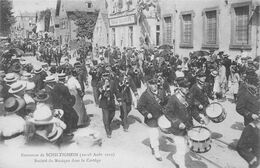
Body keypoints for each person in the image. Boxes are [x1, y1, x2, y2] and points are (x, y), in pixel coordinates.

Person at [164, 77, 194, 168]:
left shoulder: (188, 96)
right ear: (180, 87)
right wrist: (178, 123)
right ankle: (182, 165)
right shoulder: (173, 98)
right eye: (185, 87)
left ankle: (174, 156)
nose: (187, 89)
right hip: (178, 129)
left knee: (187, 147)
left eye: (188, 87)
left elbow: (191, 110)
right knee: (181, 149)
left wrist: (199, 118)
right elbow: (167, 113)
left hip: (188, 126)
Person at [137, 78, 167, 161]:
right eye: (152, 84)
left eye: (155, 84)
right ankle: (156, 152)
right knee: (154, 135)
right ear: (148, 85)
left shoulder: (161, 91)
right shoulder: (145, 95)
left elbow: (165, 102)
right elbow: (139, 106)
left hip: (161, 117)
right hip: (152, 119)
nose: (155, 86)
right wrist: (146, 113)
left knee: (159, 135)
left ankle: (152, 144)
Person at [97, 72, 121, 138]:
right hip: (104, 102)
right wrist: (104, 87)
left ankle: (108, 123)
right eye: (104, 76)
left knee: (112, 114)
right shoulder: (100, 83)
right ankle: (108, 131)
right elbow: (98, 92)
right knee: (106, 117)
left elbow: (116, 91)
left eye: (107, 75)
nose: (106, 77)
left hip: (111, 101)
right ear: (102, 76)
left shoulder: (112, 82)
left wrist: (119, 99)